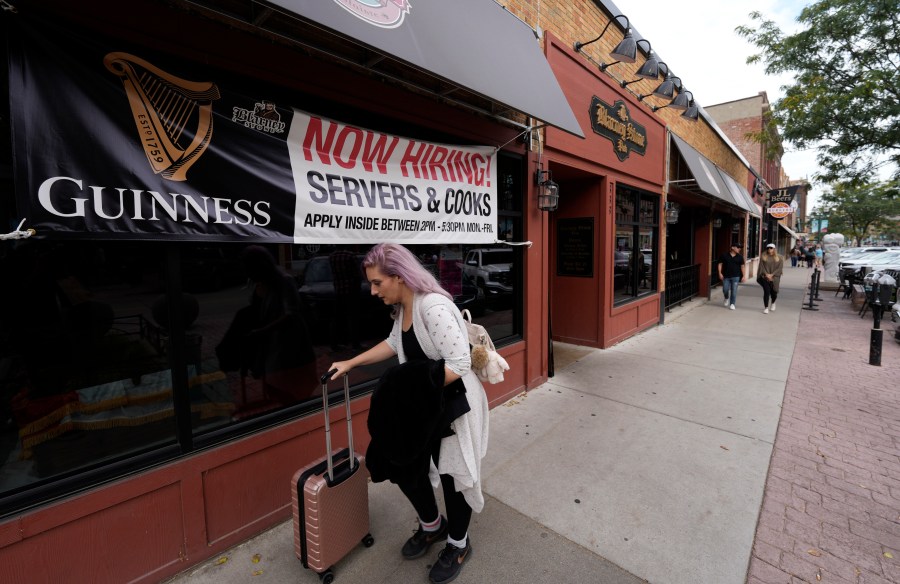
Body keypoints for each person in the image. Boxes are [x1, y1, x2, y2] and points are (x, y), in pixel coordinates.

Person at [328, 243, 488, 584]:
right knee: (401, 464)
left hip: (453, 406)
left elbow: (459, 364)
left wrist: (410, 389)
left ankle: (458, 544)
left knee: (452, 475)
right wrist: (351, 363)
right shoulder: (404, 307)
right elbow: (393, 344)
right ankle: (433, 526)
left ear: (399, 277)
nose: (372, 291)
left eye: (376, 283)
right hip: (425, 406)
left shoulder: (433, 307)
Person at [716, 242, 746, 310]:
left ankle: (732, 304)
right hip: (726, 276)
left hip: (736, 276)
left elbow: (742, 267)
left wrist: (744, 276)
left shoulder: (740, 257)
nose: (739, 249)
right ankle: (726, 298)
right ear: (732, 247)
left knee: (734, 290)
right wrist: (720, 273)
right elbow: (720, 264)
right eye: (738, 247)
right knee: (725, 289)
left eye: (740, 248)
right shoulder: (724, 255)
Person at [758, 243, 784, 314]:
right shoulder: (763, 256)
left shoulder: (780, 257)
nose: (769, 249)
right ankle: (766, 307)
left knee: (774, 292)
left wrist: (772, 275)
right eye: (768, 248)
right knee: (766, 291)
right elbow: (761, 267)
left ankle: (773, 302)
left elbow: (780, 268)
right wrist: (767, 275)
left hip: (775, 277)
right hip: (764, 277)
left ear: (774, 249)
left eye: (771, 248)